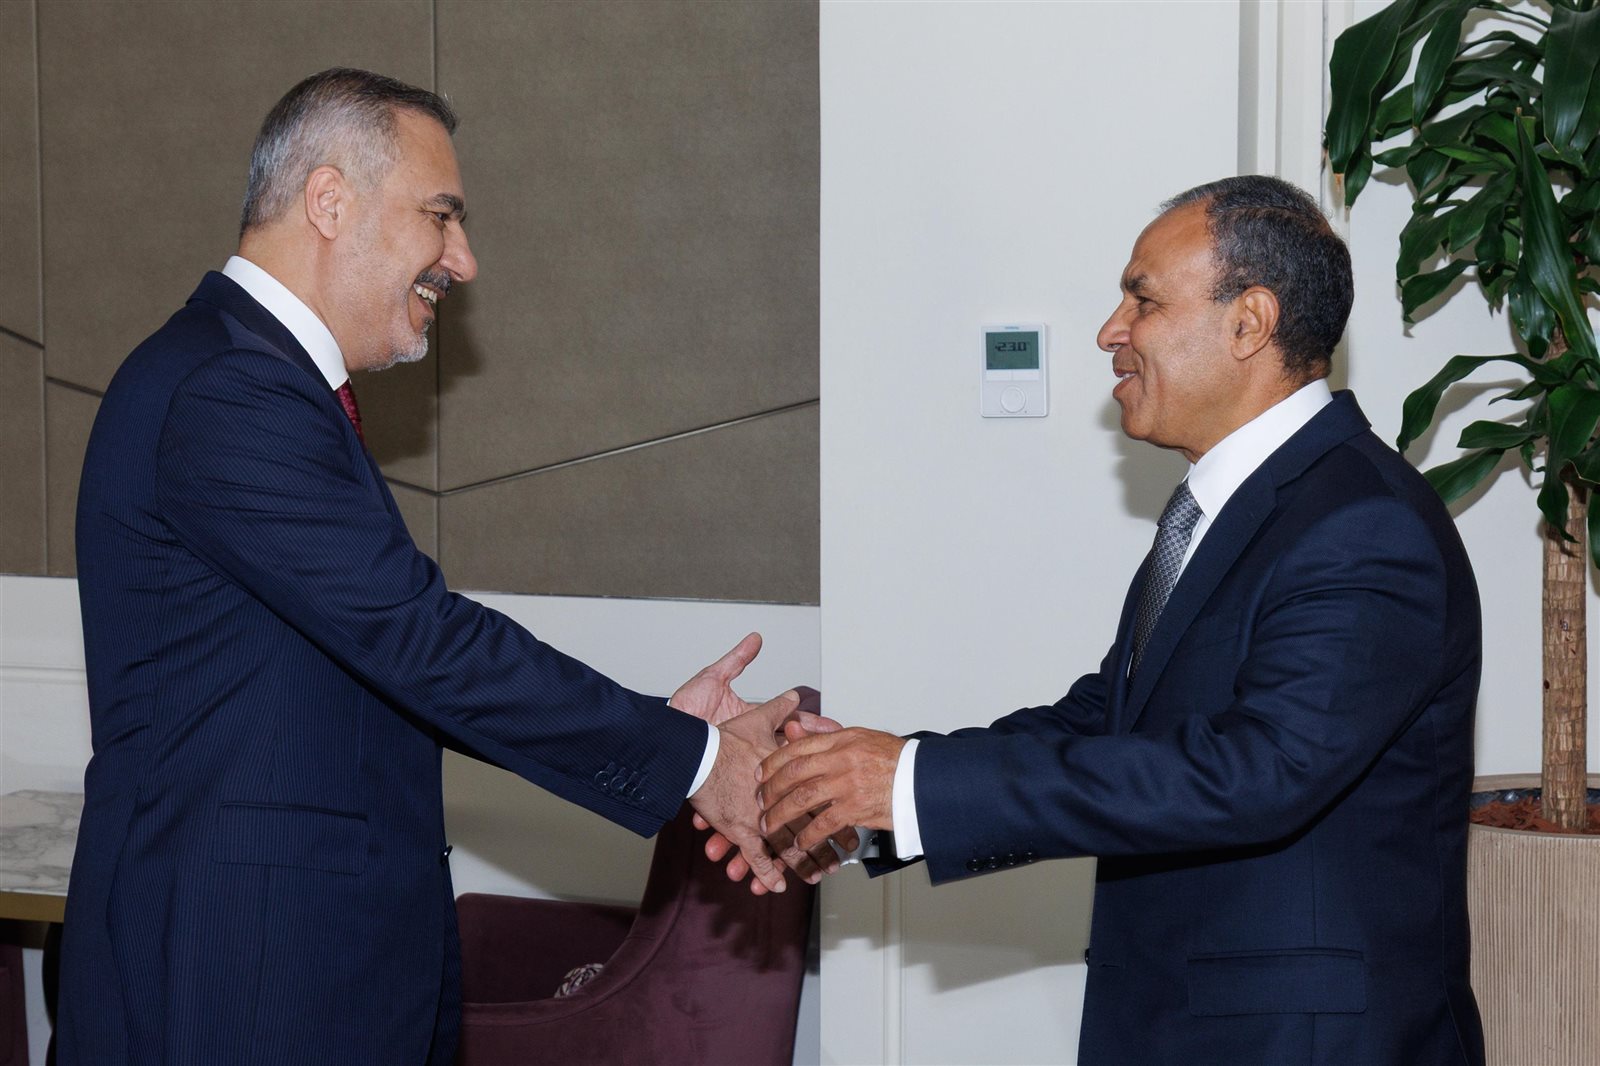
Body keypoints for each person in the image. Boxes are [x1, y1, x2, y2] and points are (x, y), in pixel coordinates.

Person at [61, 67, 821, 1066]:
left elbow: (381, 666)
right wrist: (696, 761)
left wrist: (665, 728)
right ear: (330, 201)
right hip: (239, 976)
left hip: (307, 969)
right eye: (441, 215)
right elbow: (422, 640)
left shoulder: (254, 380)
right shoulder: (228, 389)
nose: (461, 259)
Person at [756, 176, 1486, 1065]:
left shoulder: (1363, 524)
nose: (1111, 331)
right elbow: (1111, 720)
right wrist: (872, 788)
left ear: (1249, 323)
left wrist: (908, 783)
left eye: (1142, 300)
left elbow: (1256, 773)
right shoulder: (1227, 508)